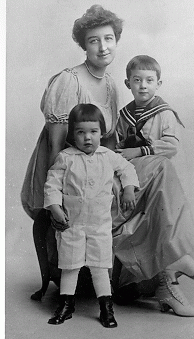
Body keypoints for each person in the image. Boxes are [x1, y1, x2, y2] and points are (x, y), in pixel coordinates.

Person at [20, 5, 124, 300]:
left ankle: (136, 277)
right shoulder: (69, 81)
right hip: (65, 170)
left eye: (108, 39)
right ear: (83, 45)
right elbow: (55, 145)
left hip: (95, 166)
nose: (103, 47)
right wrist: (60, 196)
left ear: (116, 40)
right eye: (94, 40)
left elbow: (110, 141)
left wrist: (114, 176)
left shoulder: (112, 84)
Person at [111, 55, 194, 316]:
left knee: (161, 184)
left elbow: (170, 146)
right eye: (137, 80)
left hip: (155, 179)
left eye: (149, 81)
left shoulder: (164, 113)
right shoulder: (124, 116)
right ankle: (167, 270)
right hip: (135, 179)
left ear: (159, 83)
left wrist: (140, 151)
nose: (143, 86)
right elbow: (119, 147)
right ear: (128, 83)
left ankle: (167, 281)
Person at [44, 103, 139, 327]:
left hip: (99, 223)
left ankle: (106, 307)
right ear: (72, 134)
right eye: (81, 132)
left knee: (99, 265)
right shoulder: (66, 157)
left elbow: (128, 169)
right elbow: (52, 184)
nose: (88, 138)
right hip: (72, 222)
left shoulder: (108, 156)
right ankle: (67, 304)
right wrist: (55, 208)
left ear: (102, 132)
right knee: (70, 264)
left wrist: (127, 188)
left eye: (93, 132)